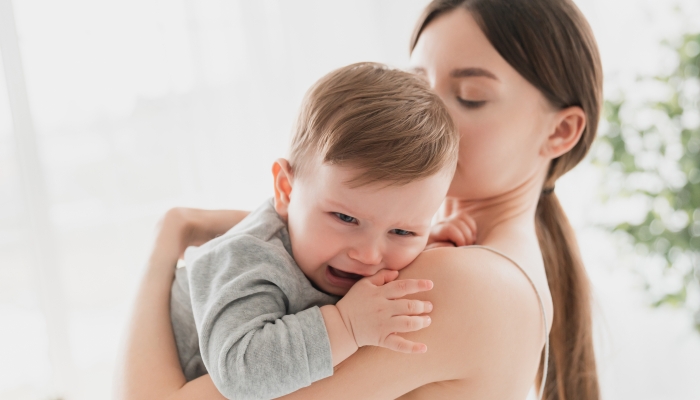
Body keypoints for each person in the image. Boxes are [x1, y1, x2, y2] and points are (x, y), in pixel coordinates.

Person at [115, 0, 603, 399]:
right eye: (418, 88)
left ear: (561, 131)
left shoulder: (461, 283)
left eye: (470, 95)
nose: (431, 121)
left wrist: (168, 240)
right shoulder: (467, 260)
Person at [169, 62, 467, 399]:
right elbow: (239, 374)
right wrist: (346, 325)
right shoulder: (248, 257)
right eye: (345, 218)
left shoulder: (340, 251)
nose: (368, 255)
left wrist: (429, 246)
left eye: (402, 232)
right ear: (286, 189)